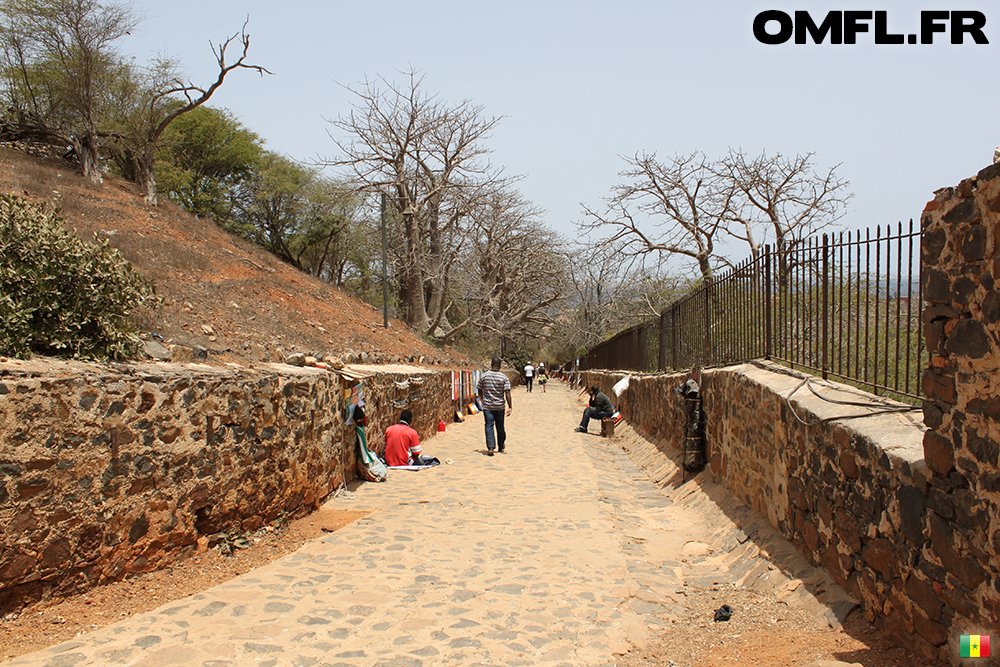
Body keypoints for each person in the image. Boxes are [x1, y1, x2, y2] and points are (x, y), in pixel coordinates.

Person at [478, 357, 513, 456]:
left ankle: (491, 447)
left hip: (488, 406)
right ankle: (501, 445)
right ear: (500, 365)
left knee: (489, 425)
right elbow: (507, 392)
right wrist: (510, 406)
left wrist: (482, 399)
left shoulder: (484, 376)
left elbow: (479, 389)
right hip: (499, 406)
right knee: (500, 426)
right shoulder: (504, 377)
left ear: (491, 364)